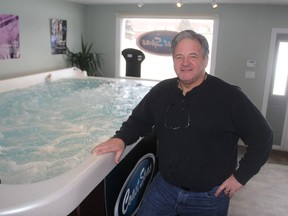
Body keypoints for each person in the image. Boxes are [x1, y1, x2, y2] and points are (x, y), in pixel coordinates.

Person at [91, 30, 273, 215]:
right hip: (164, 188)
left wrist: (240, 177)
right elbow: (139, 120)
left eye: (192, 56)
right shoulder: (161, 91)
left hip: (208, 197)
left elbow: (263, 137)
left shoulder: (229, 97)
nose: (185, 63)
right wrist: (120, 138)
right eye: (179, 57)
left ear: (205, 60)